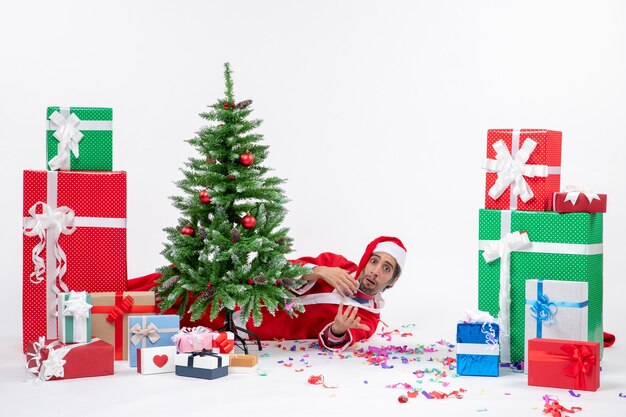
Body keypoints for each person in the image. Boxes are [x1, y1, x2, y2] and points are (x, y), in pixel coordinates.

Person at [128, 236, 407, 351]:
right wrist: (319, 271)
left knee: (172, 324)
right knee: (174, 283)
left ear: (391, 282)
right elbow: (282, 269)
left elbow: (334, 341)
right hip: (242, 290)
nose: (375, 271)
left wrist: (337, 329)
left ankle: (113, 328)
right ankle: (104, 298)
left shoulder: (367, 319)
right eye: (374, 261)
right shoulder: (336, 264)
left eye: (386, 269)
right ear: (365, 259)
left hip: (246, 325)